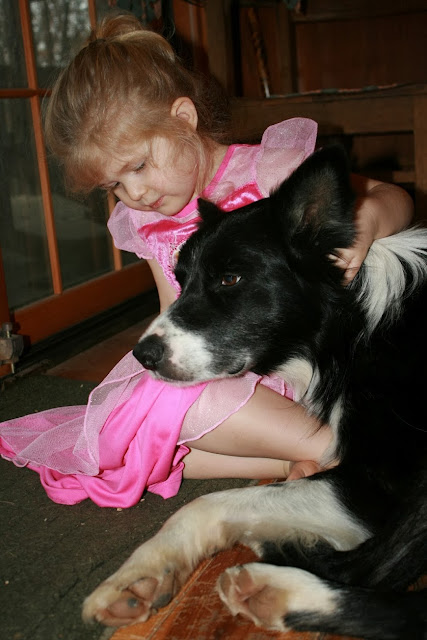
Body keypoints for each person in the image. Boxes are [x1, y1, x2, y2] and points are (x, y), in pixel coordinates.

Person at [0, 13, 413, 508]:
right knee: (136, 437)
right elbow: (172, 311)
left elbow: (393, 197)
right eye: (114, 185)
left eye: (138, 166)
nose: (134, 193)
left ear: (183, 118)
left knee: (179, 408)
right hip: (220, 365)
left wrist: (364, 227)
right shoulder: (145, 222)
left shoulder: (269, 169)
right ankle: (296, 458)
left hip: (294, 363)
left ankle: (340, 448)